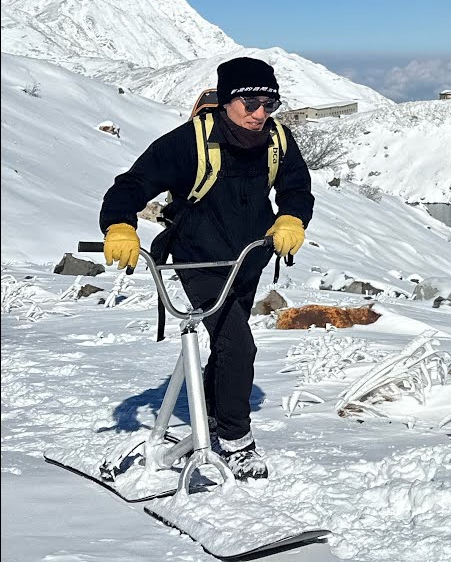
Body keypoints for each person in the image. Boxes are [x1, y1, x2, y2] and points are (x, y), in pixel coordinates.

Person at [99, 57, 314, 480]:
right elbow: (131, 185)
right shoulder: (188, 143)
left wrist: (291, 218)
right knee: (238, 345)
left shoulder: (277, 141)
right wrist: (119, 226)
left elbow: (296, 187)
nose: (260, 113)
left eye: (269, 104)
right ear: (227, 100)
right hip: (199, 258)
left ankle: (215, 414)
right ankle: (236, 442)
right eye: (250, 102)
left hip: (249, 257)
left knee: (227, 344)